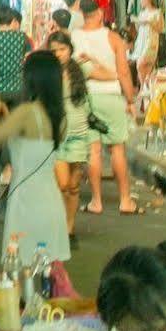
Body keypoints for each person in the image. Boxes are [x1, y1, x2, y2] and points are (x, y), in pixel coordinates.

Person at [0, 49, 70, 265]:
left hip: (26, 202)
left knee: (19, 269)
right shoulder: (60, 117)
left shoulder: (27, 112)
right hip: (51, 201)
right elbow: (31, 144)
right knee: (44, 272)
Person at [70, 0, 140, 216]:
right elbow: (124, 72)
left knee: (93, 151)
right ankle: (125, 200)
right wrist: (130, 99)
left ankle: (96, 201)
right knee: (117, 148)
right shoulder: (113, 38)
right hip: (110, 96)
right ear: (100, 13)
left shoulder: (74, 37)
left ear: (82, 14)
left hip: (85, 98)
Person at [45, 31, 96, 235]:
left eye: (62, 49)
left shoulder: (81, 69)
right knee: (62, 183)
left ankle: (69, 226)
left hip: (79, 132)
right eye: (54, 50)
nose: (58, 54)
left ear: (70, 50)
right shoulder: (47, 73)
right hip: (56, 134)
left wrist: (92, 58)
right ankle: (57, 223)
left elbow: (112, 73)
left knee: (74, 186)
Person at [128, 0, 164, 95]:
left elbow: (161, 28)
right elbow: (138, 28)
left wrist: (149, 22)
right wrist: (137, 22)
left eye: (143, 0)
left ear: (148, 0)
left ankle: (143, 88)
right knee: (146, 68)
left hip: (151, 41)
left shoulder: (157, 12)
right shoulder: (142, 13)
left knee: (140, 64)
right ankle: (146, 89)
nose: (141, 2)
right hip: (142, 41)